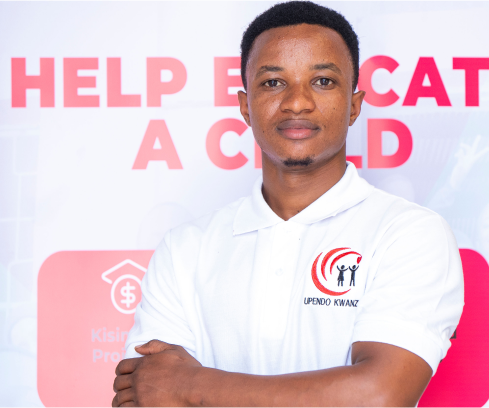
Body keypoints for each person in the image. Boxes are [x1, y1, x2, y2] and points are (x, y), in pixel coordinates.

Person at [112, 2, 464, 407]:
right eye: (273, 83)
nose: (297, 102)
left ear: (355, 104)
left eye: (323, 81)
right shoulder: (184, 249)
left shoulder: (409, 233)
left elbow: (378, 396)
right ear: (245, 106)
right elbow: (146, 394)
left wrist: (190, 387)